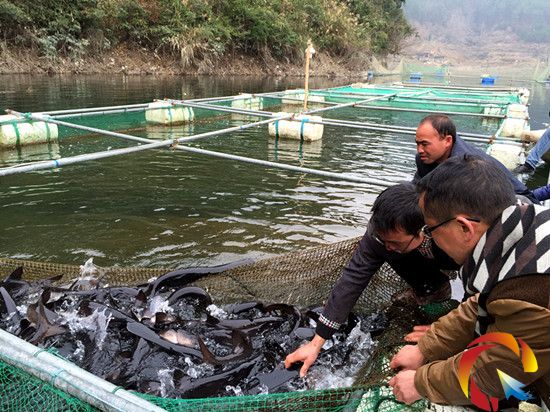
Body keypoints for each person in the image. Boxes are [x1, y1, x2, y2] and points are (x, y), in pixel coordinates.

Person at [389, 155, 550, 408]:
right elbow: (480, 303)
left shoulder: (531, 286)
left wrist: (420, 383)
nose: (429, 239)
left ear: (464, 227)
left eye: (430, 230)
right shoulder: (527, 225)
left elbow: (493, 375)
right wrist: (425, 349)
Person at [284, 182, 460, 377]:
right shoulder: (378, 236)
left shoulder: (455, 236)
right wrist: (316, 343)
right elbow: (353, 278)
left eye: (393, 242)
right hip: (417, 268)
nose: (387, 247)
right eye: (383, 240)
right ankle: (423, 291)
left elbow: (479, 293)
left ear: (423, 231)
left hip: (448, 260)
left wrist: (447, 332)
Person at [413, 114, 537, 203]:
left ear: (447, 141)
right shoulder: (425, 158)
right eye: (417, 144)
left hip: (515, 200)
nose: (420, 150)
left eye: (424, 144)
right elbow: (416, 188)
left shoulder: (466, 166)